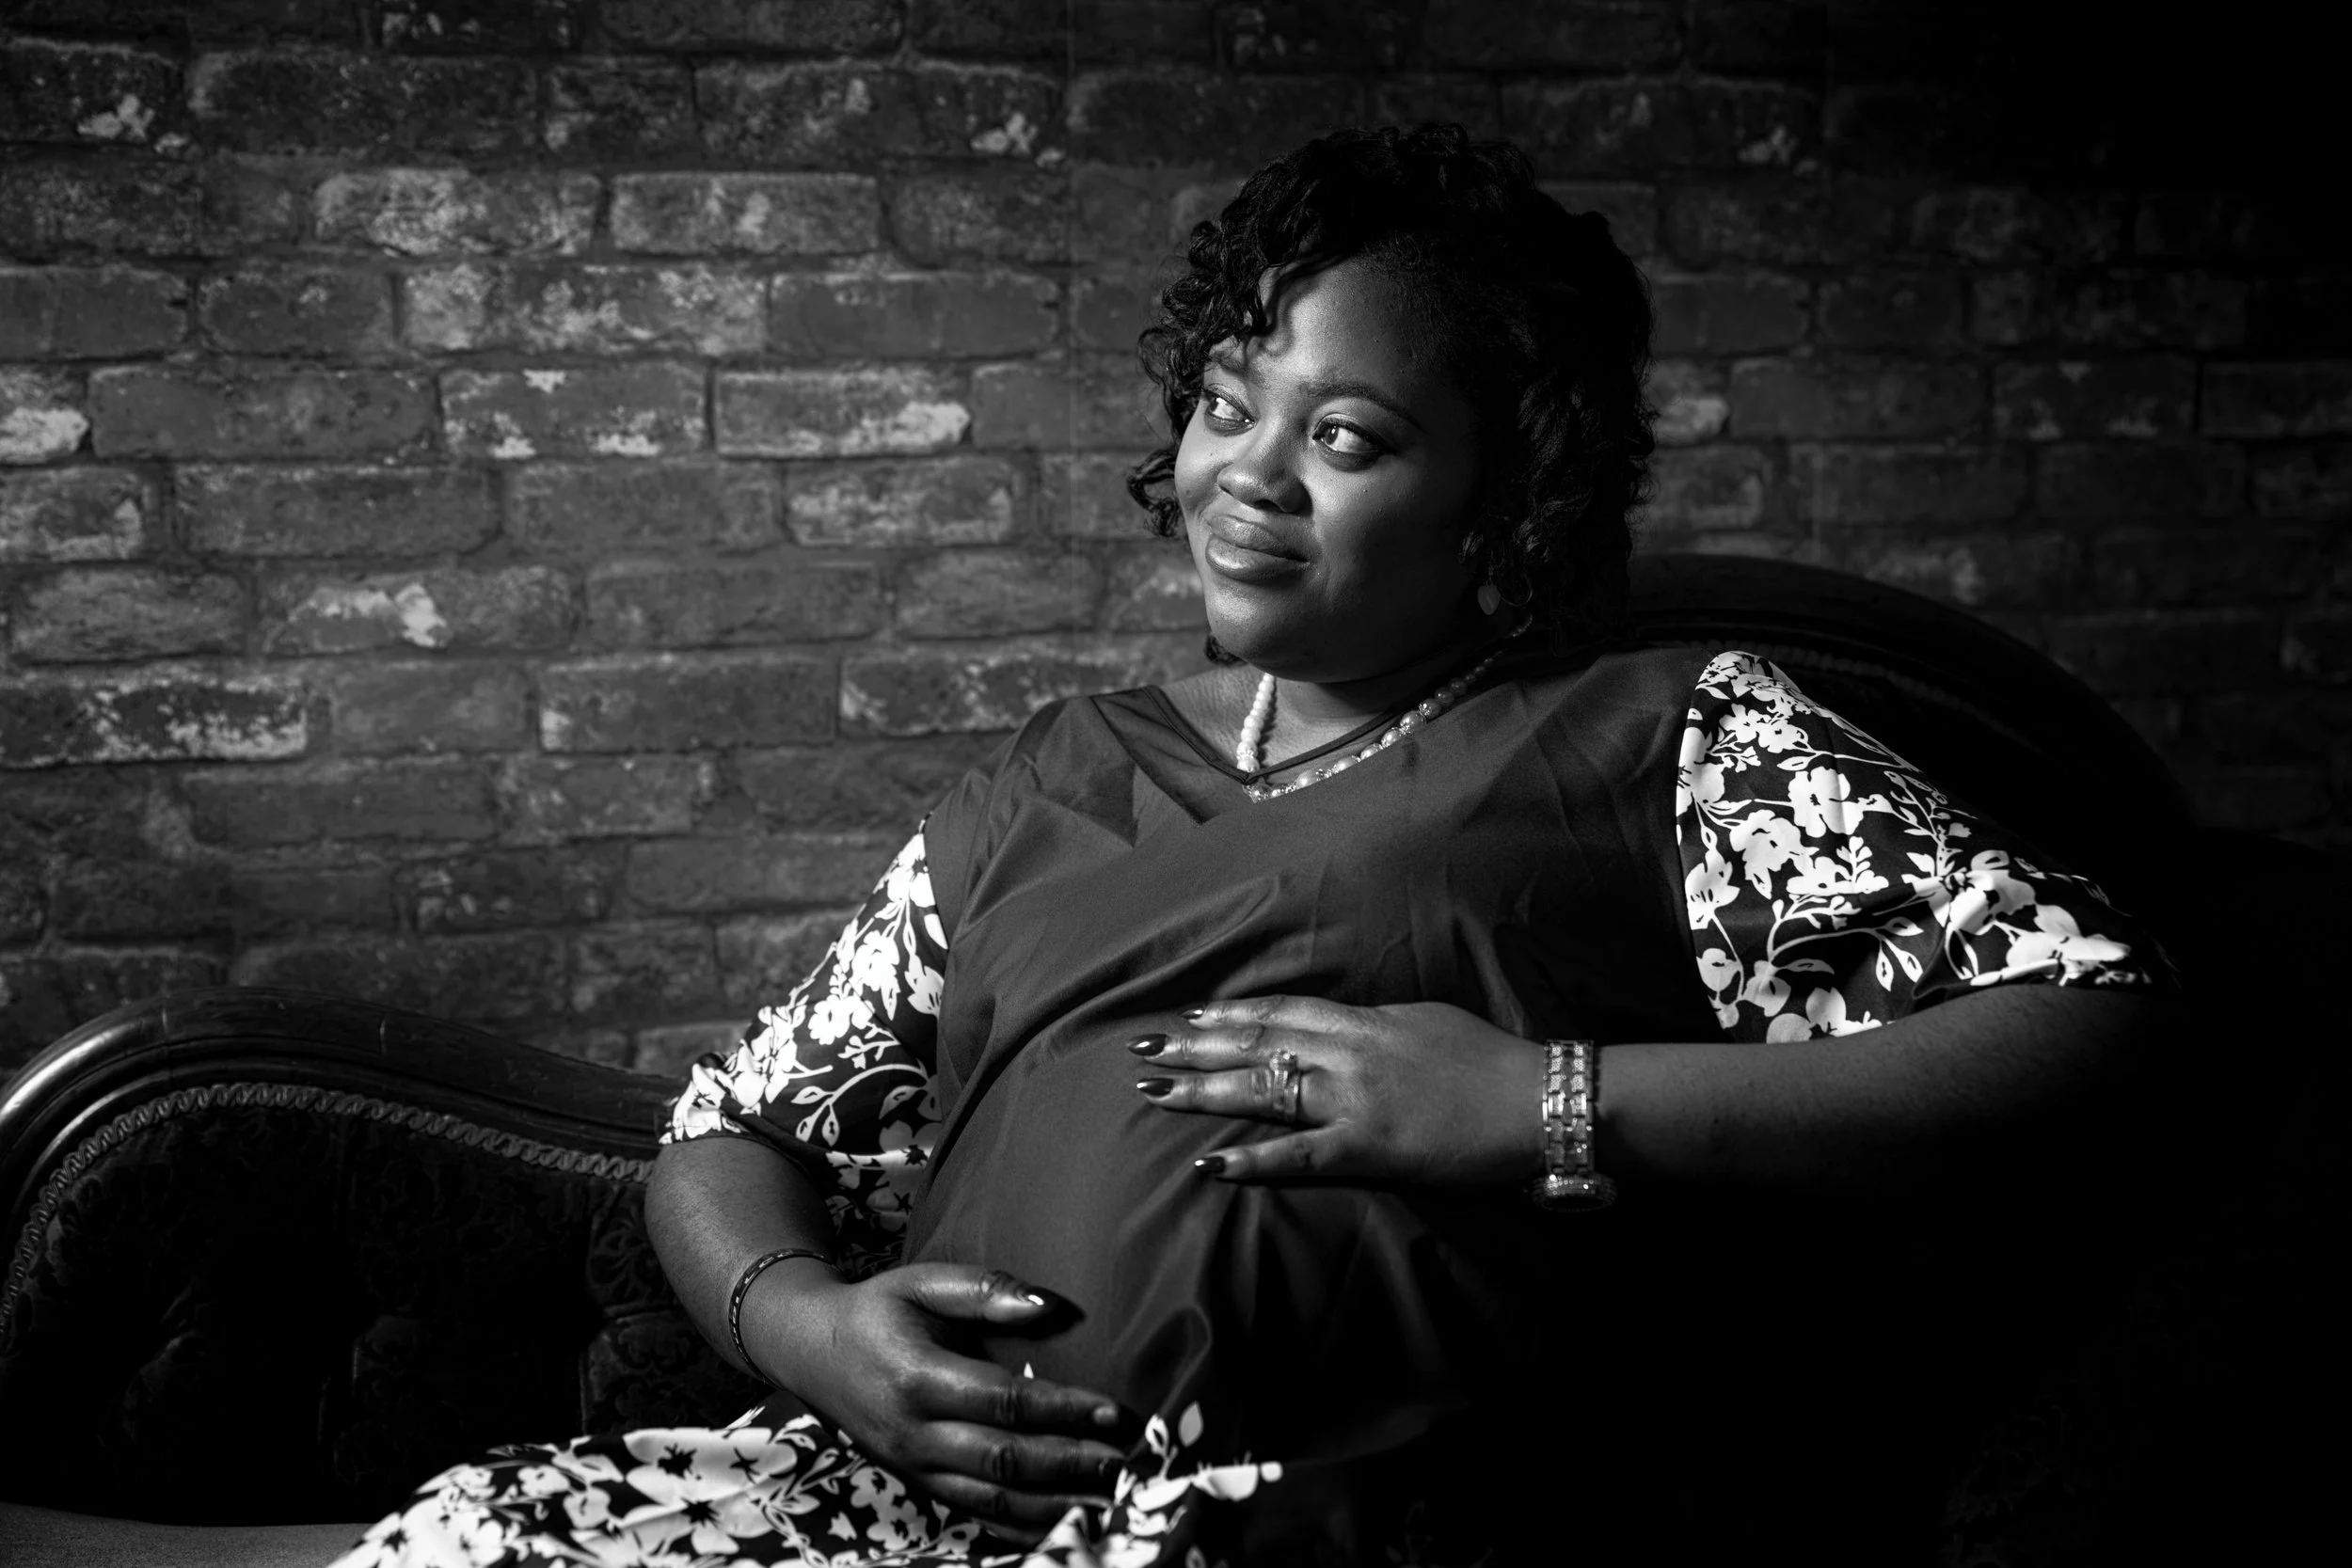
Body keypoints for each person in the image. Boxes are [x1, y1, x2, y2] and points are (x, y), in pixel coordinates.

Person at [331, 124, 2167, 1568]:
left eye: (1346, 435)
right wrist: (811, 1328)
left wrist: (1543, 1100)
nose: (1248, 475)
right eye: (1228, 404)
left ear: (1502, 490)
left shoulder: (1667, 728)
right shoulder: (1048, 774)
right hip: (885, 1511)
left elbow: (2080, 1021)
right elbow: (740, 1127)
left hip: (1355, 1522)